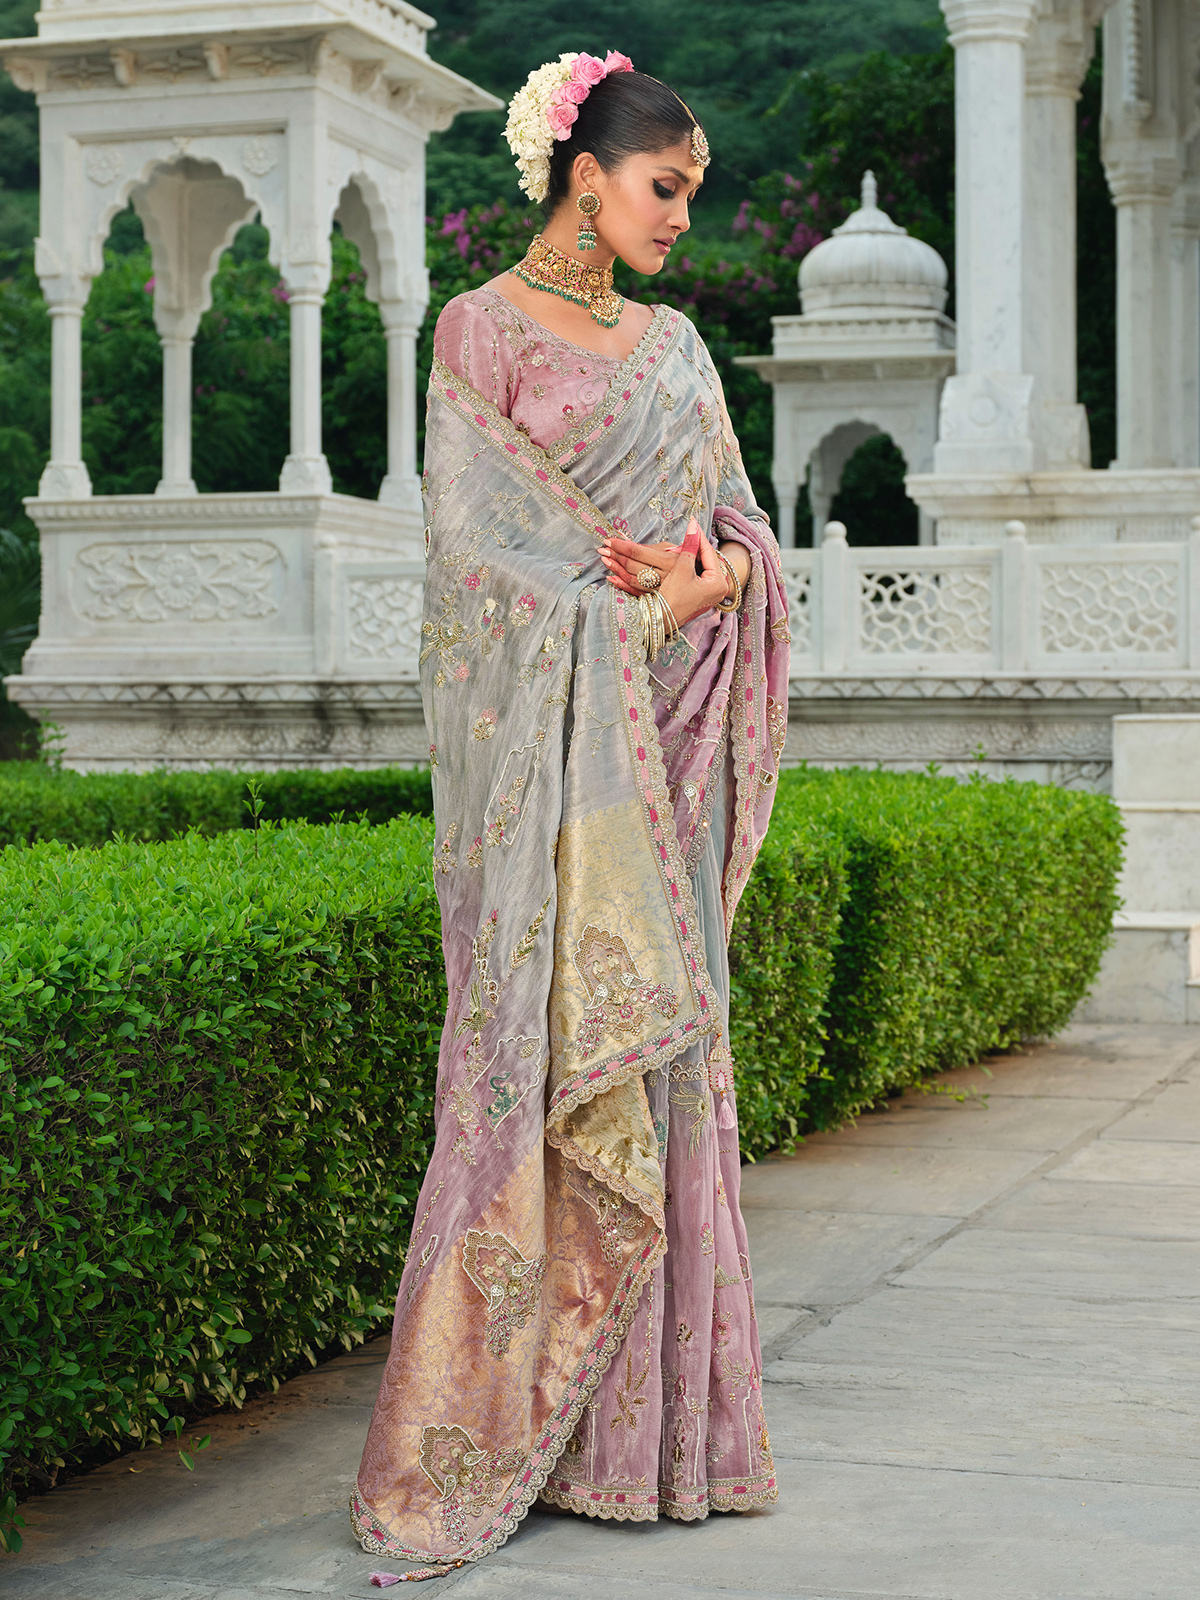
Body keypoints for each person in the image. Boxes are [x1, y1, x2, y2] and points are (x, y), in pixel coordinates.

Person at [351, 49, 790, 1585]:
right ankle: (508, 1430)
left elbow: (745, 540)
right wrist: (623, 613)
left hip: (666, 757)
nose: (682, 217)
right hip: (553, 775)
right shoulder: (476, 335)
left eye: (692, 194)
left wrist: (697, 584)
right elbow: (472, 581)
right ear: (584, 177)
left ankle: (655, 1447)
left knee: (665, 1069)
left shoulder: (679, 351)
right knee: (536, 1067)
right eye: (664, 187)